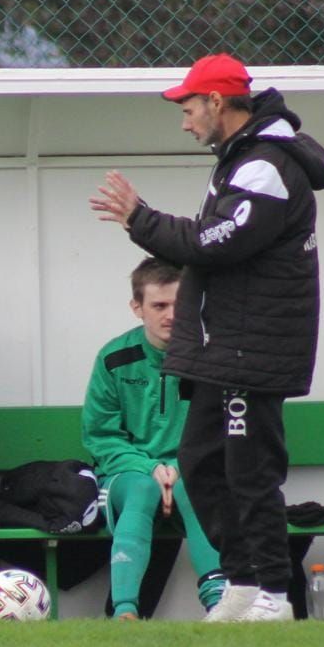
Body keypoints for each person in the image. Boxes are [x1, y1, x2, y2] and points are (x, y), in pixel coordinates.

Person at [89, 53, 324, 622]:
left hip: (254, 350)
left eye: (190, 105)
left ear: (219, 102)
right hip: (224, 350)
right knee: (201, 464)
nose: (185, 119)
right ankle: (242, 583)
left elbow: (212, 242)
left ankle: (275, 592)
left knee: (249, 472)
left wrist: (139, 218)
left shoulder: (268, 164)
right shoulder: (240, 158)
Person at [82, 256, 227, 620]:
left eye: (180, 304)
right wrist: (150, 469)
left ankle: (222, 605)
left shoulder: (210, 359)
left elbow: (220, 433)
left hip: (192, 473)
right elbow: (100, 436)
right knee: (142, 490)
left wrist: (178, 468)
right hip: (127, 474)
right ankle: (126, 611)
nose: (170, 315)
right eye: (159, 305)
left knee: (192, 486)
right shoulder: (114, 358)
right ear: (137, 308)